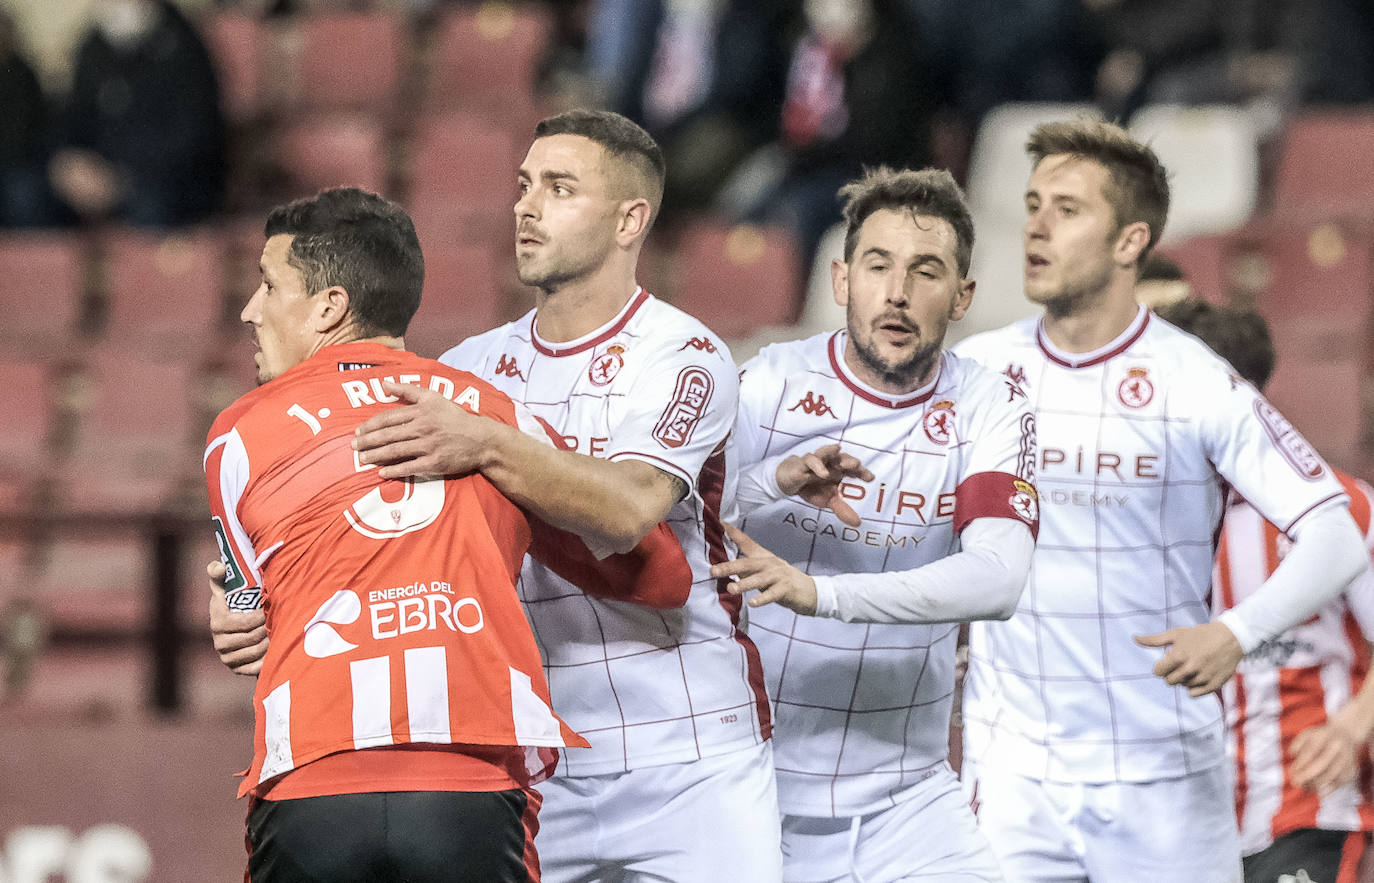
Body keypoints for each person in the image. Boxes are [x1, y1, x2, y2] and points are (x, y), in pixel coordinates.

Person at [215, 109, 784, 881]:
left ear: (630, 219)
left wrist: (489, 443)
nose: (526, 206)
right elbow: (370, 530)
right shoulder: (470, 368)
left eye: (559, 188)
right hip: (537, 745)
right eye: (522, 186)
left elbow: (627, 509)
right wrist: (253, 600)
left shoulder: (685, 355)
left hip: (688, 748)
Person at [951, 118, 1369, 881]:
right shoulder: (975, 370)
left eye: (1068, 209)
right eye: (1034, 203)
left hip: (1161, 785)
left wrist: (1237, 632)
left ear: (1129, 241)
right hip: (1013, 775)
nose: (1037, 225)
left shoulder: (1194, 380)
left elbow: (1337, 535)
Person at [710, 166, 1037, 880]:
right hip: (750, 788)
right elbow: (675, 523)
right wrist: (773, 484)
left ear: (962, 295)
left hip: (908, 801)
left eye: (926, 271)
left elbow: (999, 577)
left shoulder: (990, 406)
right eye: (878, 265)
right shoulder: (769, 383)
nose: (897, 292)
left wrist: (819, 593)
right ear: (841, 279)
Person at [1154, 297, 1374, 883]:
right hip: (1171, 827)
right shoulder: (1139, 518)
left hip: (1304, 808)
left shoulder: (1342, 509)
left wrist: (1352, 728)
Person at [51, 0, 225, 226]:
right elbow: (74, 118)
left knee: (150, 205)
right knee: (31, 196)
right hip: (102, 175)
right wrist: (70, 163)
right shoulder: (94, 46)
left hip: (166, 180)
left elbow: (194, 135)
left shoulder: (184, 43)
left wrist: (122, 178)